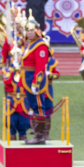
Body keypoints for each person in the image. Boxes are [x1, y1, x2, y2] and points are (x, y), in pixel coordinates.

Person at [21, 13, 53, 144]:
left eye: (32, 30)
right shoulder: (31, 44)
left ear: (37, 31)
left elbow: (40, 67)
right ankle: (37, 134)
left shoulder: (40, 45)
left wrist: (36, 83)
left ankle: (39, 136)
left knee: (39, 106)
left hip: (34, 81)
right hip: (27, 78)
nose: (29, 33)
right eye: (27, 30)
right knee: (34, 106)